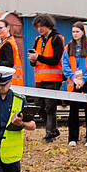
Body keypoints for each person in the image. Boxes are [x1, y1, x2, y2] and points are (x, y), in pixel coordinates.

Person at [28, 14, 64, 143]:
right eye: (37, 26)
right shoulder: (38, 40)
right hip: (40, 79)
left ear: (48, 25)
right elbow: (36, 59)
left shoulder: (57, 39)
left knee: (50, 107)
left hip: (53, 78)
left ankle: (50, 134)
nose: (39, 29)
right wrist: (33, 60)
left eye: (41, 26)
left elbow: (55, 59)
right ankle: (53, 129)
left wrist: (38, 58)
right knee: (38, 106)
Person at [64, 21, 87, 148]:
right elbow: (65, 65)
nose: (75, 34)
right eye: (73, 32)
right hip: (74, 83)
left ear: (83, 32)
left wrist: (84, 80)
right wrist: (74, 78)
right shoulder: (68, 48)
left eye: (77, 31)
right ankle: (72, 138)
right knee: (73, 110)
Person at [0, 18, 24, 87]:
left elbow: (9, 63)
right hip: (14, 80)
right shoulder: (10, 41)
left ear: (8, 28)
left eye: (0, 28)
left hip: (9, 80)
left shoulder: (7, 43)